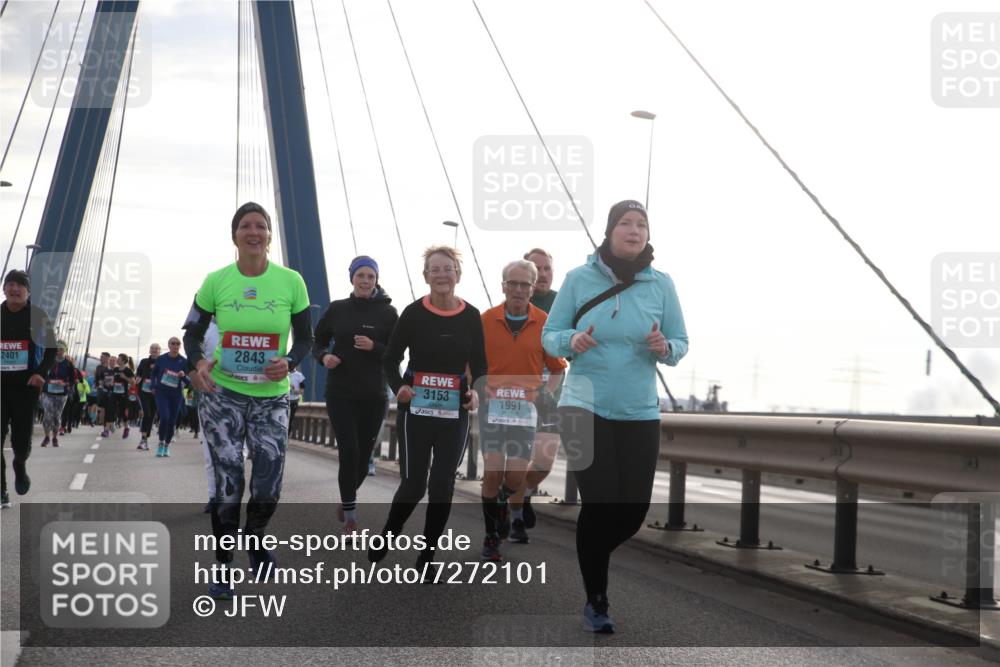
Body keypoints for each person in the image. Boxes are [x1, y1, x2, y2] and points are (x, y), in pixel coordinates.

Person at [542, 200, 688, 633]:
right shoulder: (578, 279)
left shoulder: (661, 284)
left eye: (641, 224)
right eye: (625, 223)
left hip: (640, 410)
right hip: (584, 405)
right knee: (601, 501)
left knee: (633, 510)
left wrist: (666, 348)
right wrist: (572, 340)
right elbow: (550, 337)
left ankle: (590, 555)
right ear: (608, 232)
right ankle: (597, 599)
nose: (634, 229)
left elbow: (680, 342)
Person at [184, 201, 313, 599]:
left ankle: (255, 537)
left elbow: (306, 337)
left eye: (260, 226)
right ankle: (222, 569)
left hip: (271, 398)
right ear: (235, 235)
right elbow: (191, 331)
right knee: (228, 482)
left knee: (268, 482)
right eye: (245, 226)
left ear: (270, 236)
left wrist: (289, 362)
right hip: (222, 395)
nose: (253, 232)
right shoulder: (216, 281)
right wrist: (199, 362)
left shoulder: (291, 281)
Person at [370, 246, 486, 570]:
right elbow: (390, 359)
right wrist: (399, 388)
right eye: (435, 269)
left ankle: (427, 556)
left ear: (458, 275)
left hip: (454, 412)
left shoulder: (471, 316)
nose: (442, 275)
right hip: (416, 411)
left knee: (442, 483)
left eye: (448, 268)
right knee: (414, 483)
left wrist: (477, 393)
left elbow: (481, 366)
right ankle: (390, 534)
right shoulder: (413, 312)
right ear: (426, 276)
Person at [479, 259, 566, 561]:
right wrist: (477, 389)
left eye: (524, 285)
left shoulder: (544, 323)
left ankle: (504, 506)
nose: (517, 290)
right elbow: (470, 364)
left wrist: (544, 395)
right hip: (492, 409)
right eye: (512, 283)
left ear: (532, 288)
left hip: (525, 412)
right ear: (503, 286)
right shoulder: (485, 320)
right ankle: (492, 536)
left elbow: (556, 370)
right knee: (492, 473)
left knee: (515, 478)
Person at [313, 255, 398, 535]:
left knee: (363, 457)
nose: (365, 281)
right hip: (341, 392)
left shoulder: (388, 313)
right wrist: (324, 356)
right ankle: (350, 516)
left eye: (370, 276)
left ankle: (347, 494)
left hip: (374, 394)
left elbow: (397, 353)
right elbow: (318, 341)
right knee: (349, 451)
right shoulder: (338, 309)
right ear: (352, 278)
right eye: (360, 275)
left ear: (377, 280)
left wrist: (374, 346)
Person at [1, 270, 56, 508]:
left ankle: (20, 466)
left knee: (21, 442)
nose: (14, 289)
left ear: (28, 291)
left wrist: (40, 373)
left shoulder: (38, 315)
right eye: (10, 284)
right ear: (4, 290)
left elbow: (52, 350)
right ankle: (1, 490)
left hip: (26, 388)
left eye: (19, 286)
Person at [517, 247, 562, 530]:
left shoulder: (563, 303)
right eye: (537, 269)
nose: (543, 274)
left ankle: (519, 496)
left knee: (544, 462)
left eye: (547, 268)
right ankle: (514, 515)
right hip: (516, 397)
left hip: (550, 396)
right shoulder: (515, 302)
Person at [151, 337, 188, 456]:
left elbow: (188, 381)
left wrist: (183, 376)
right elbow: (154, 373)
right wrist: (153, 385)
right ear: (169, 345)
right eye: (173, 343)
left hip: (176, 395)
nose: (175, 346)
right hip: (162, 393)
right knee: (165, 418)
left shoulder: (184, 361)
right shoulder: (161, 359)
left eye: (178, 344)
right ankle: (161, 443)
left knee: (172, 421)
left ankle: (167, 445)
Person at [40, 341, 74, 447]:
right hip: (48, 393)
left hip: (61, 394)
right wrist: (40, 390)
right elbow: (41, 375)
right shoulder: (49, 362)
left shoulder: (68, 364)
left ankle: (55, 437)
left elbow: (73, 380)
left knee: (56, 416)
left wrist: (64, 383)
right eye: (57, 349)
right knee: (47, 415)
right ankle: (46, 437)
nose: (58, 352)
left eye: (61, 350)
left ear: (65, 350)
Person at [136, 343, 160, 448]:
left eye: (156, 349)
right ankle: (143, 439)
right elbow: (139, 373)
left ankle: (146, 438)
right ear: (149, 350)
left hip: (157, 393)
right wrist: (138, 378)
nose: (154, 350)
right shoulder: (144, 361)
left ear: (159, 351)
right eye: (152, 348)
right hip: (144, 392)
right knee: (147, 413)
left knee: (152, 415)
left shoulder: (162, 362)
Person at [112, 353, 135, 438]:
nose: (117, 360)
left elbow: (133, 383)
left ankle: (126, 428)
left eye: (119, 359)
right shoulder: (115, 369)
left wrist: (125, 377)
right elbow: (112, 379)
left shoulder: (128, 370)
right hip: (114, 393)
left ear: (123, 361)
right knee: (111, 409)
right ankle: (111, 425)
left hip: (123, 394)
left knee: (123, 412)